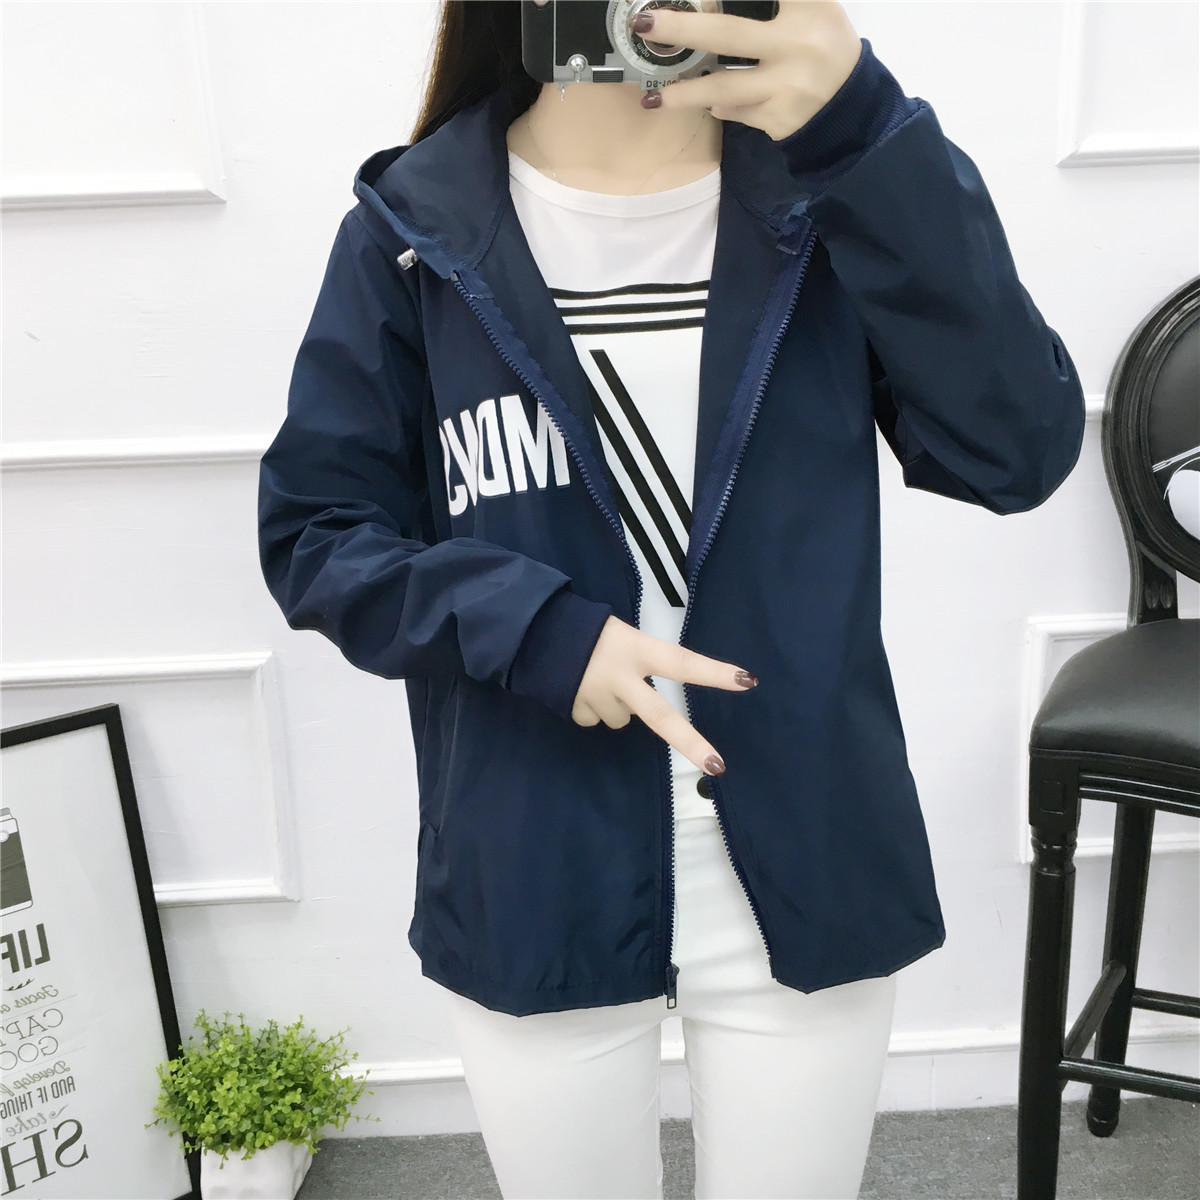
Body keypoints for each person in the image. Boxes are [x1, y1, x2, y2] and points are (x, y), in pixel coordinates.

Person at [257, 2, 1087, 1196]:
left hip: (807, 841)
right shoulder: (411, 232)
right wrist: (541, 630)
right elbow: (316, 533)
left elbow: (1016, 452)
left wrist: (864, 130)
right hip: (535, 857)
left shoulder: (830, 197)